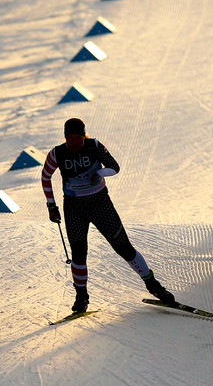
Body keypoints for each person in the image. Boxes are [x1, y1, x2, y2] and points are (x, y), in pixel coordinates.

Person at [41, 117, 175, 312]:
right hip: (74, 207)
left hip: (100, 204)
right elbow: (46, 176)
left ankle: (154, 286)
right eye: (70, 138)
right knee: (78, 254)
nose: (74, 142)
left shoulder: (94, 145)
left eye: (78, 137)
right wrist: (51, 206)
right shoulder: (57, 153)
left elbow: (115, 167)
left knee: (124, 248)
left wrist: (99, 174)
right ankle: (81, 298)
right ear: (65, 138)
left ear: (83, 135)